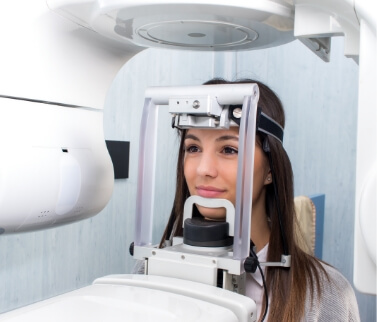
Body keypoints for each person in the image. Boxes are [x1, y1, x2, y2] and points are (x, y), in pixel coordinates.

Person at [158, 78, 360, 321]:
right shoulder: (151, 271)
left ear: (270, 169)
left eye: (229, 150)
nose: (203, 169)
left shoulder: (327, 296)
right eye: (193, 148)